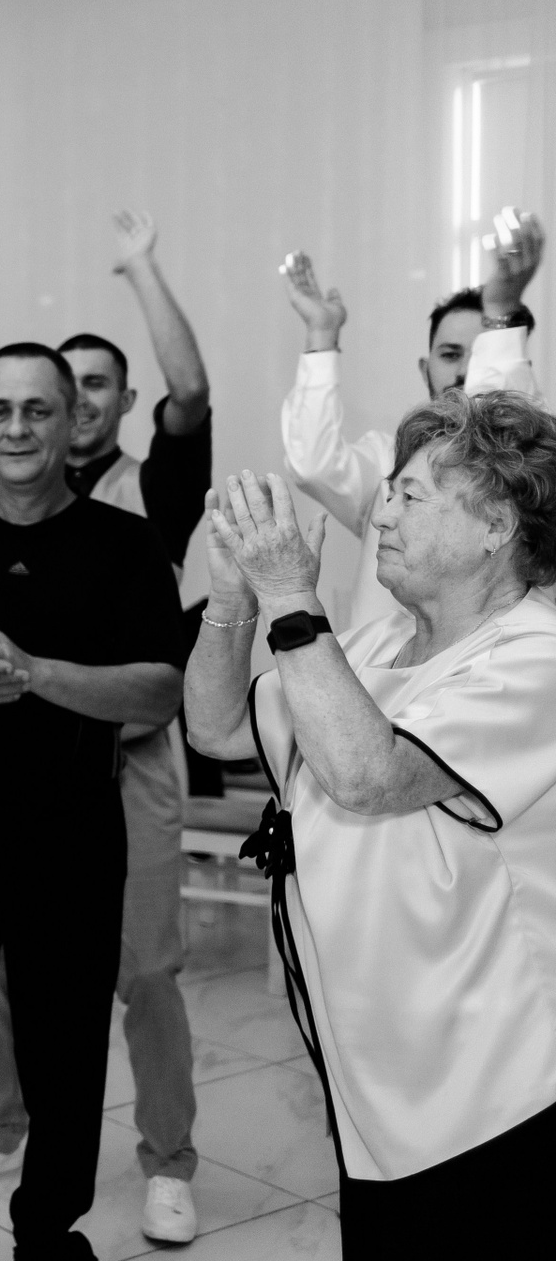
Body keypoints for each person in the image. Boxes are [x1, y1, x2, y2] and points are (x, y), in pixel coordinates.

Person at [184, 390, 556, 1257]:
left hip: (492, 1081)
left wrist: (292, 594)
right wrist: (235, 598)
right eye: (387, 491)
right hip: (376, 1067)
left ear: (497, 526)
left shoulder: (537, 659)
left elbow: (367, 773)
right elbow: (217, 728)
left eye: (411, 496)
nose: (380, 514)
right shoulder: (379, 641)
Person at [0, 193, 212, 1242]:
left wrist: (33, 670)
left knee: (84, 1027)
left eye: (39, 410)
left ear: (80, 416)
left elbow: (159, 689)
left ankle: (62, 1222)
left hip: (81, 826)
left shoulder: (125, 538)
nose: (17, 428)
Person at [279, 212, 544, 629]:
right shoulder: (389, 459)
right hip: (378, 667)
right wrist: (321, 335)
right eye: (451, 354)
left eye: (483, 355)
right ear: (425, 368)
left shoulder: (534, 457)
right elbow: (312, 463)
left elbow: (491, 442)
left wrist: (501, 309)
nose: (465, 372)